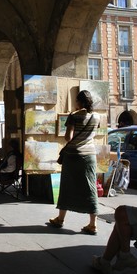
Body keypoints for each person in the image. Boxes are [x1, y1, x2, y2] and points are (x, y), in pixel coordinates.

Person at [48, 90, 101, 234]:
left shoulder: (74, 116)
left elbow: (68, 138)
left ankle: (60, 218)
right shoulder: (97, 116)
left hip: (73, 156)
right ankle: (93, 224)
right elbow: (94, 133)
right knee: (90, 187)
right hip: (90, 155)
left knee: (67, 186)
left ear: (79, 102)